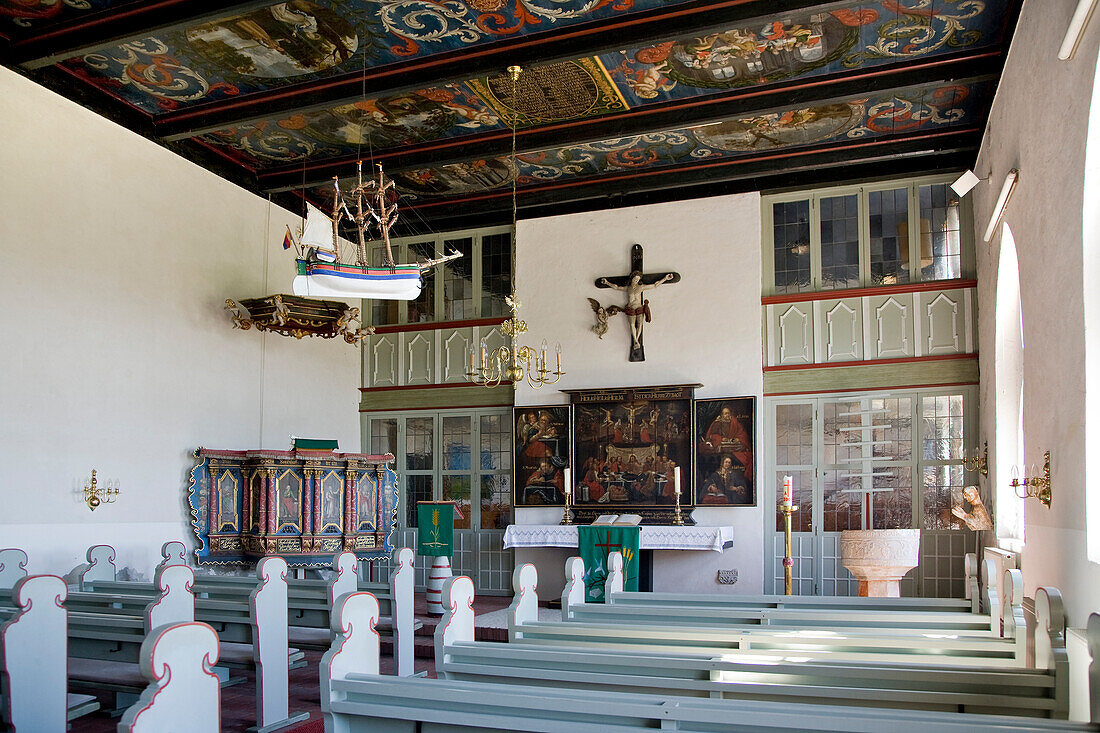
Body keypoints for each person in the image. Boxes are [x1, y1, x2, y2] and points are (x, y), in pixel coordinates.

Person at [599, 270, 675, 351]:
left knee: (640, 324)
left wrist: (665, 279)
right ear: (632, 278)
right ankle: (635, 341)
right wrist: (607, 283)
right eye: (635, 279)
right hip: (631, 309)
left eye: (638, 279)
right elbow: (616, 287)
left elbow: (654, 285)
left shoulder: (641, 287)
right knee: (632, 325)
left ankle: (637, 340)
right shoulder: (628, 288)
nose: (636, 281)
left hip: (639, 308)